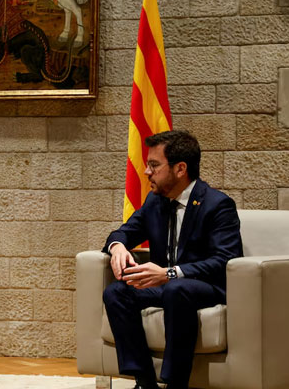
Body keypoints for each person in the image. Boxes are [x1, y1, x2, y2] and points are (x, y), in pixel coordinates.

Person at [102, 130, 243, 389]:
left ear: (180, 169)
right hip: (167, 286)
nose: (146, 172)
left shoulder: (217, 205)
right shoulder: (155, 201)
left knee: (177, 289)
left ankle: (175, 384)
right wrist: (118, 246)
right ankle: (144, 381)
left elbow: (225, 259)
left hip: (204, 286)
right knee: (116, 293)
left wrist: (170, 273)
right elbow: (124, 231)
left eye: (154, 165)